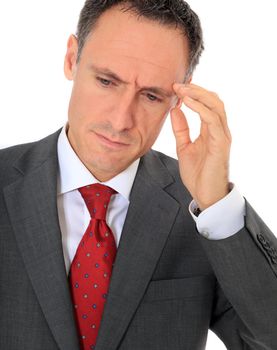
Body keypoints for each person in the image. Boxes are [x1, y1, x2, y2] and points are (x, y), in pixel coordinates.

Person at [0, 0, 276, 349]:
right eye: (106, 81)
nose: (120, 121)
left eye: (151, 95)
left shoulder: (202, 213)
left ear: (180, 96)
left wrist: (217, 205)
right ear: (72, 58)